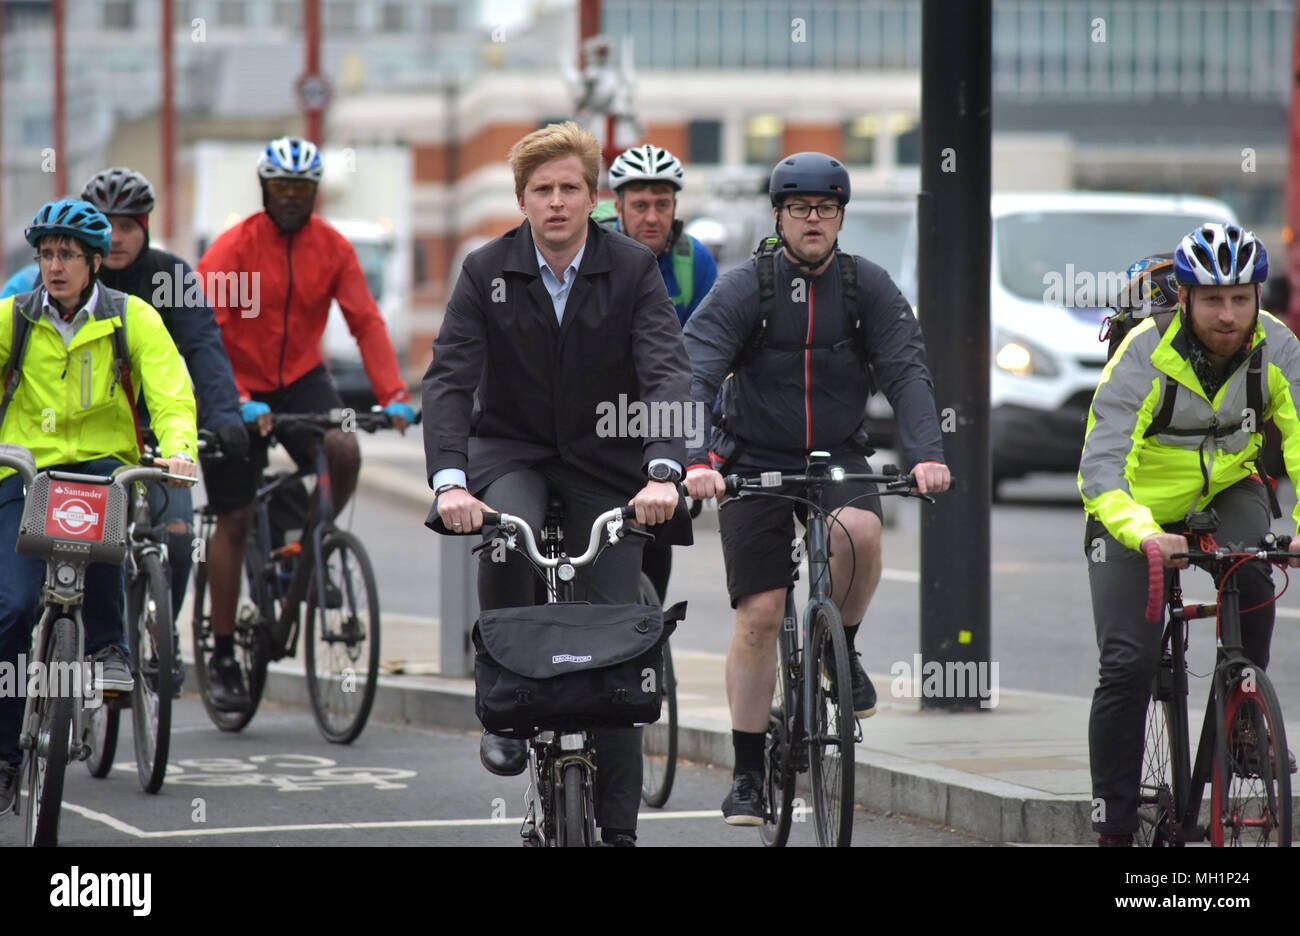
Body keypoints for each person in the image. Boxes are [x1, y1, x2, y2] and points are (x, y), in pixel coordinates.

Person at [423, 121, 693, 847]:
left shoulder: (632, 268)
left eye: (570, 188)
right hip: (510, 453)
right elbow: (450, 380)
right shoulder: (486, 271)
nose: (556, 203)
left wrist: (664, 467)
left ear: (592, 195)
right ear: (522, 199)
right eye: (541, 190)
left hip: (607, 462)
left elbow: (667, 370)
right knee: (505, 539)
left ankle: (619, 829)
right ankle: (503, 699)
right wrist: (451, 483)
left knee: (615, 638)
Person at [681, 152, 950, 825]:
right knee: (762, 613)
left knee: (860, 533)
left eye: (825, 208)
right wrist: (694, 459)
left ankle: (842, 650)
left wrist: (925, 455)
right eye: (799, 208)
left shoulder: (868, 288)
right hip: (752, 458)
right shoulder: (748, 288)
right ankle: (747, 773)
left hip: (837, 453)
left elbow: (907, 373)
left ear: (840, 217)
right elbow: (695, 371)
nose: (812, 219)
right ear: (778, 215)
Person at [1079, 223, 1300, 847]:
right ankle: (1115, 823)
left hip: (1228, 487)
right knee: (1128, 662)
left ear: (1258, 297)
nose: (1227, 315)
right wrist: (1144, 532)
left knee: (1255, 566)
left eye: (1239, 298)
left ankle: (1243, 712)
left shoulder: (1278, 346)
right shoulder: (1144, 353)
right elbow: (1100, 466)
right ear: (1184, 298)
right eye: (1211, 300)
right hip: (1134, 504)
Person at [197, 136, 414, 713]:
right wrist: (236, 398)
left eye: (302, 189)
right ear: (265, 190)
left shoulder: (332, 247)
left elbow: (365, 321)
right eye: (281, 188)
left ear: (315, 192)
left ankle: (306, 546)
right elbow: (202, 334)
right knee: (235, 516)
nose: (291, 198)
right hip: (232, 384)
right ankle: (221, 655)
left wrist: (393, 395)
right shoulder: (233, 249)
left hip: (299, 377)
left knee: (342, 449)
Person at [0, 199, 198, 814]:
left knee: (110, 517)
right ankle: (5, 755)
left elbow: (169, 388)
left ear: (92, 263)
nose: (55, 266)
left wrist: (180, 450)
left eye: (68, 255)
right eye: (47, 255)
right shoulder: (13, 318)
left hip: (101, 465)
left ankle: (110, 648)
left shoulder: (129, 318)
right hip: (23, 466)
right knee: (13, 604)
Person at [80, 167, 250, 696]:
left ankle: (158, 642)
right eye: (105, 225)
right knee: (84, 547)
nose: (117, 236)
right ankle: (83, 643)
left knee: (177, 542)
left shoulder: (170, 277)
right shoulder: (72, 279)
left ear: (146, 227)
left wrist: (224, 417)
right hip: (90, 439)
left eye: (128, 225)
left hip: (158, 437)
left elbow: (204, 348)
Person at [604, 143, 719, 605]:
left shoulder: (695, 264)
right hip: (596, 416)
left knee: (658, 539)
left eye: (662, 205)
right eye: (640, 205)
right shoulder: (591, 252)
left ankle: (650, 643)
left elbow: (711, 363)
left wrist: (700, 453)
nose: (652, 216)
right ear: (618, 208)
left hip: (665, 417)